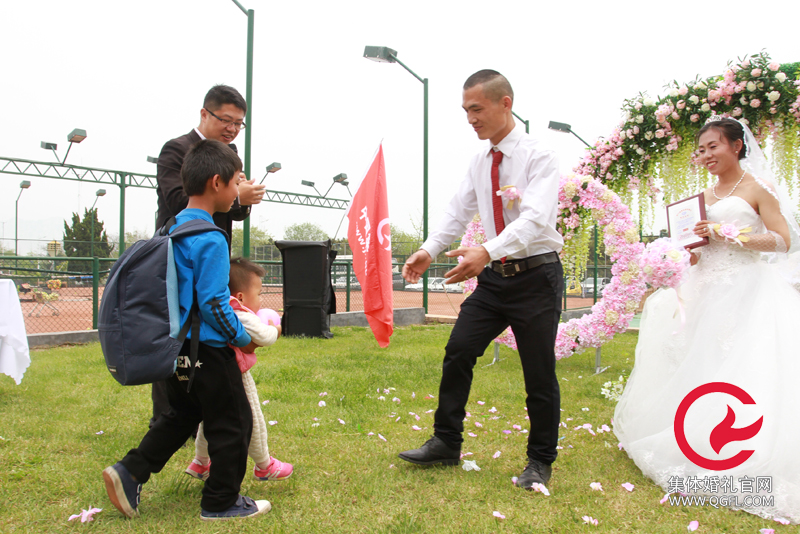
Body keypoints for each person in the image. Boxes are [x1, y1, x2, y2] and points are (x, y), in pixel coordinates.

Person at [614, 117, 800, 523]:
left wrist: (730, 234)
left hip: (745, 290)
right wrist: (685, 252)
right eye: (701, 150)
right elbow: (697, 248)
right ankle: (696, 435)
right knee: (701, 361)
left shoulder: (756, 188)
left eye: (713, 146)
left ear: (736, 145)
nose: (705, 155)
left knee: (742, 363)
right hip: (703, 289)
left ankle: (740, 446)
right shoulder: (700, 197)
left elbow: (784, 240)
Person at [398, 70, 564, 491]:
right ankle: (446, 442)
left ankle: (540, 461)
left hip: (537, 275)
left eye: (477, 108)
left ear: (505, 103)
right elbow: (457, 211)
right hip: (495, 279)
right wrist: (428, 249)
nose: (470, 118)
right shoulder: (479, 161)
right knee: (458, 350)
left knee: (538, 372)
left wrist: (487, 250)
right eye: (465, 110)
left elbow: (535, 218)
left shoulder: (539, 155)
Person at [102, 139, 270, 521]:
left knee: (180, 417)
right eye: (235, 184)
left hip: (176, 348)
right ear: (216, 182)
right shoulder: (210, 236)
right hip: (209, 349)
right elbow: (213, 302)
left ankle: (129, 472)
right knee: (234, 422)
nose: (236, 194)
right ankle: (221, 501)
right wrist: (242, 337)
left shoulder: (173, 226)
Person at [151, 84, 265, 428]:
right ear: (205, 114)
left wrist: (242, 201)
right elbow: (175, 200)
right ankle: (168, 417)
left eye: (238, 124)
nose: (232, 129)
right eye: (226, 120)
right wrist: (234, 197)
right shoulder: (176, 150)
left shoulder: (233, 157)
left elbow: (234, 213)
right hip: (178, 260)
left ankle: (213, 417)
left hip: (214, 256)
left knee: (212, 338)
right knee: (176, 336)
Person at [185, 257, 293, 483]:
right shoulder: (240, 313)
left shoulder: (216, 310)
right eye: (260, 293)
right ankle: (265, 465)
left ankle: (201, 462)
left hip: (211, 372)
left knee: (211, 419)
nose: (260, 300)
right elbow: (264, 337)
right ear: (241, 296)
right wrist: (277, 329)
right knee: (253, 417)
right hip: (236, 376)